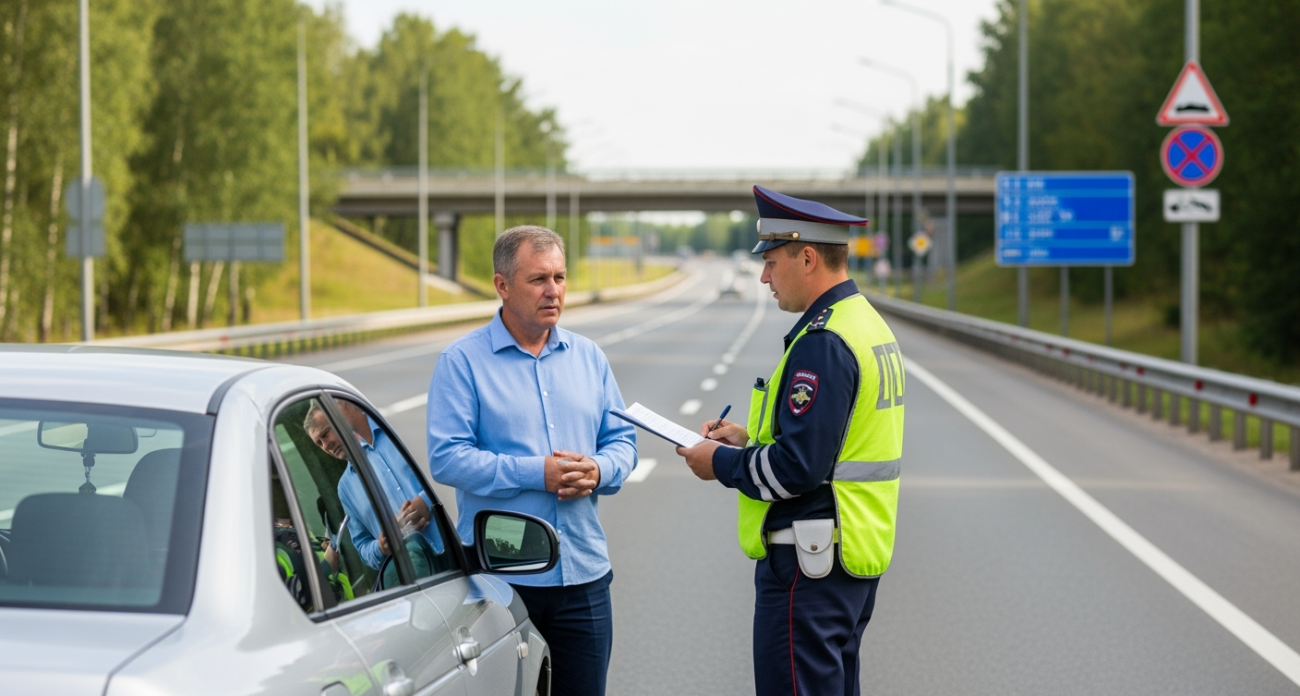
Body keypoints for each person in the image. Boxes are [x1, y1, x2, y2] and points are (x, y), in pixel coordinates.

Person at [675, 185, 905, 696]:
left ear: (807, 258)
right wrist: (746, 440)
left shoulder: (823, 341)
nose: (763, 277)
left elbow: (798, 468)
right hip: (848, 556)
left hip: (808, 567)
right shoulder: (865, 323)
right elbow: (837, 444)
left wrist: (720, 463)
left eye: (771, 262)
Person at [426, 225, 637, 696]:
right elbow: (447, 458)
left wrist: (599, 470)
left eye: (560, 277)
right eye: (538, 279)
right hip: (502, 581)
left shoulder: (589, 357)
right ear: (502, 285)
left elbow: (622, 442)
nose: (553, 290)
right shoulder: (461, 362)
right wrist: (537, 473)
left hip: (584, 575)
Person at [304, 399, 440, 571]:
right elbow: (362, 547)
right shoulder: (345, 488)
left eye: (325, 434)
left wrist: (426, 502)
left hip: (456, 547)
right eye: (319, 443)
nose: (326, 446)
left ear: (340, 415)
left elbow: (447, 470)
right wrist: (382, 546)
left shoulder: (395, 435)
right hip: (420, 574)